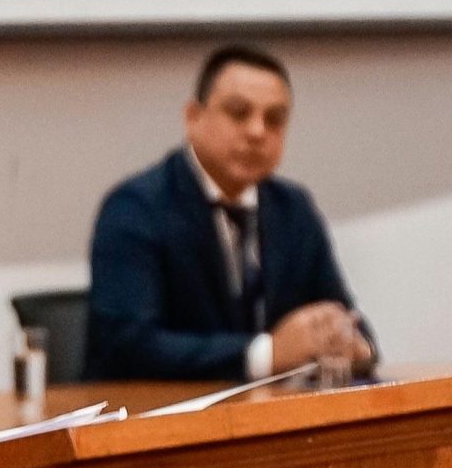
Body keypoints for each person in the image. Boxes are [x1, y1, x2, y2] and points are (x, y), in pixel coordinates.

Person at [86, 44, 374, 381]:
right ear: (193, 118)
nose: (257, 132)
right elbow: (127, 346)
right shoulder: (136, 207)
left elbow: (342, 314)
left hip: (270, 417)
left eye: (275, 120)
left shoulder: (292, 209)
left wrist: (353, 346)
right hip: (164, 420)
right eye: (239, 113)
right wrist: (268, 354)